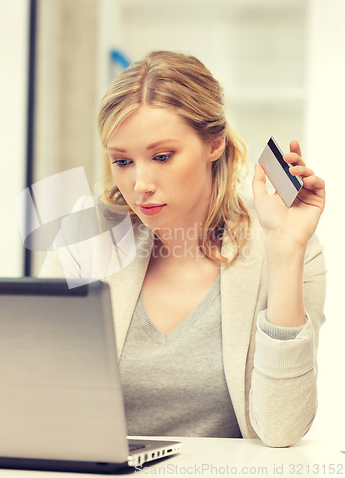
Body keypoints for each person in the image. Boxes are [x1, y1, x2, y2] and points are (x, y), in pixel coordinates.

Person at [40, 51, 326, 447]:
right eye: (122, 161)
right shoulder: (86, 236)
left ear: (214, 144)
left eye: (161, 156)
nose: (140, 183)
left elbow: (281, 429)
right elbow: (41, 399)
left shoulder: (283, 244)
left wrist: (287, 250)